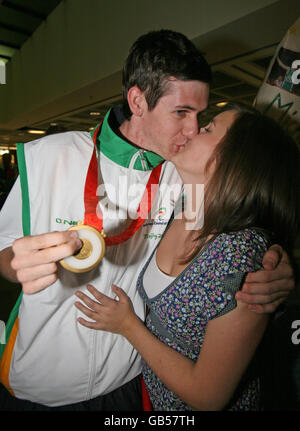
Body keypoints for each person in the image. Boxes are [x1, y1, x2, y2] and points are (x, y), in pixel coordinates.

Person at [0, 30, 295, 411]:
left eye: (201, 116)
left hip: (130, 381)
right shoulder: (48, 157)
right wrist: (16, 264)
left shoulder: (183, 176)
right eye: (181, 112)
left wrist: (275, 264)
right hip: (41, 383)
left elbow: (237, 222)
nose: (191, 129)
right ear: (138, 100)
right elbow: (4, 252)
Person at [74, 103, 300, 410]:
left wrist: (127, 325)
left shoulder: (241, 262)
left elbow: (208, 397)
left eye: (207, 128)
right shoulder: (185, 204)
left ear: (236, 162)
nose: (193, 129)